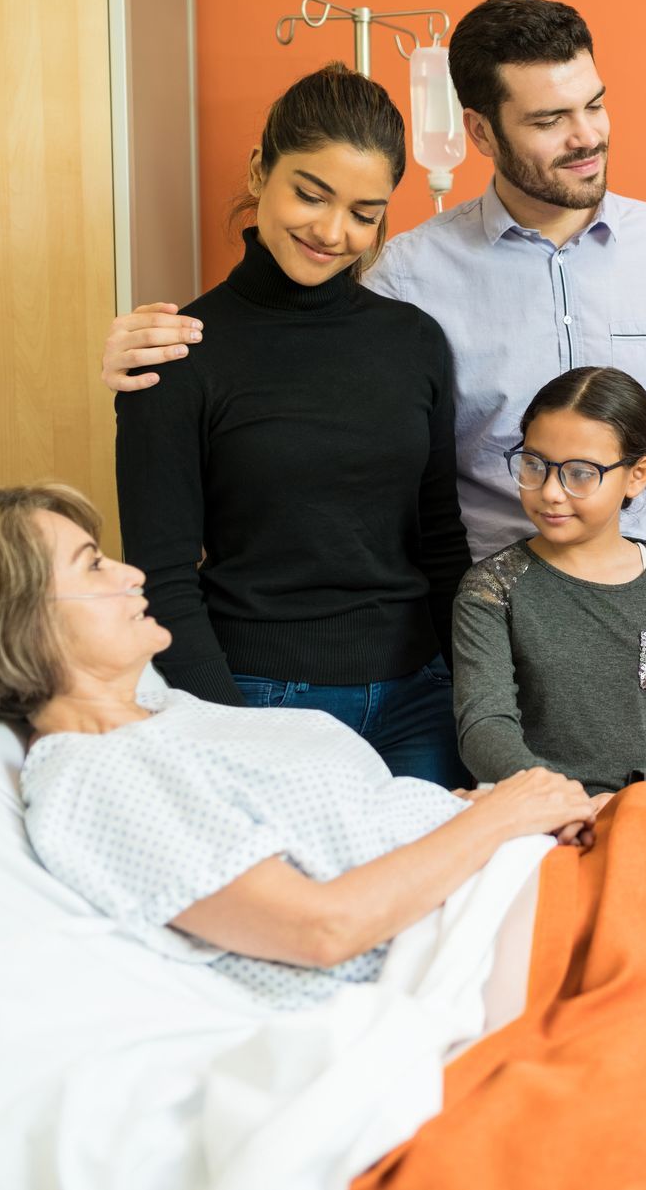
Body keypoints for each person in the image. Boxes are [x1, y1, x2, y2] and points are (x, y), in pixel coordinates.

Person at [99, 0, 646, 634]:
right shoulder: (409, 279)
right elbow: (293, 371)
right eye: (548, 120)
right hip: (487, 636)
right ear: (479, 130)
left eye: (593, 104)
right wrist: (136, 355)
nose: (585, 136)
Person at [0, 485, 601, 1009]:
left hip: (505, 868)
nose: (134, 573)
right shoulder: (96, 773)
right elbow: (320, 927)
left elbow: (336, 829)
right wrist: (495, 819)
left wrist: (471, 810)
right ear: (16, 621)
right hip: (470, 941)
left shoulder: (163, 712)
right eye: (94, 564)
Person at [113, 63, 475, 789]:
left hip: (421, 701)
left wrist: (476, 697)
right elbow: (163, 577)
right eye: (311, 194)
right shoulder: (177, 353)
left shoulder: (415, 342)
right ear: (260, 170)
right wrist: (228, 730)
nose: (333, 232)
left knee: (454, 894)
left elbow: (441, 544)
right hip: (260, 698)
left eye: (365, 212)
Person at [453, 367, 646, 795]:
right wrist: (562, 803)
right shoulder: (492, 590)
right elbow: (484, 729)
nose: (551, 492)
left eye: (580, 472)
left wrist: (643, 803)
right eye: (535, 465)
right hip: (541, 821)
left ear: (639, 473)